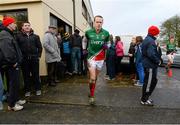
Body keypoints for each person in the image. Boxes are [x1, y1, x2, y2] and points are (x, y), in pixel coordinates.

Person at [82, 15, 110, 105]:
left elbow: (109, 43)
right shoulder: (88, 32)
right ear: (93, 22)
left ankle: (91, 90)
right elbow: (84, 41)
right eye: (97, 22)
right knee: (93, 78)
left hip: (100, 59)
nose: (98, 24)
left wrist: (107, 46)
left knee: (95, 78)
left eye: (100, 22)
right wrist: (84, 49)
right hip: (91, 58)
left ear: (102, 23)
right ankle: (92, 96)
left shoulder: (106, 33)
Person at [0, 17, 25, 111]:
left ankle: (16, 99)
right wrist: (13, 62)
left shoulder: (9, 34)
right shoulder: (4, 35)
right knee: (13, 84)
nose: (15, 25)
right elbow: (8, 51)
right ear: (9, 24)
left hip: (14, 63)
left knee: (15, 83)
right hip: (12, 64)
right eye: (13, 23)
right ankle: (12, 105)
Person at [16, 22, 42, 97]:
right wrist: (20, 58)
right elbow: (17, 48)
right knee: (26, 76)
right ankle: (27, 90)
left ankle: (38, 89)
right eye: (25, 26)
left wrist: (38, 56)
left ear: (30, 27)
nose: (27, 27)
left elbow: (40, 47)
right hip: (24, 60)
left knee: (36, 75)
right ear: (22, 27)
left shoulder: (36, 36)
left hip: (34, 59)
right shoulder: (18, 37)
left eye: (28, 25)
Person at [141, 25, 161, 106]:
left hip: (149, 64)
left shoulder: (148, 39)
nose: (158, 35)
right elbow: (151, 54)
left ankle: (145, 97)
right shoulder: (151, 41)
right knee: (149, 83)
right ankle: (144, 99)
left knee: (150, 82)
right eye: (157, 33)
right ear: (154, 33)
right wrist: (158, 61)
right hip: (150, 65)